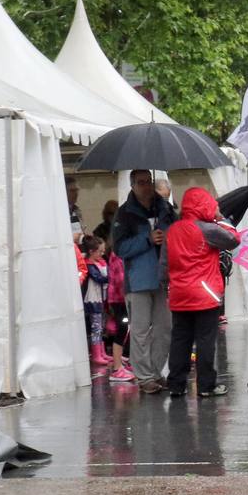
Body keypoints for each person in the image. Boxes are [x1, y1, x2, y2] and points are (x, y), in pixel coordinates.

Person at [162, 188, 240, 398]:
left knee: (180, 340)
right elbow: (233, 239)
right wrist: (222, 219)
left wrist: (166, 287)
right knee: (205, 340)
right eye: (213, 205)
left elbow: (164, 264)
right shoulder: (207, 229)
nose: (216, 208)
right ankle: (206, 385)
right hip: (205, 295)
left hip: (179, 294)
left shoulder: (172, 230)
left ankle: (176, 384)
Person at [111, 169, 178, 394]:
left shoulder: (166, 208)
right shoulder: (124, 214)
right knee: (140, 330)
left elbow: (177, 233)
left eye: (147, 181)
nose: (146, 186)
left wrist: (167, 235)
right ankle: (144, 376)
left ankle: (156, 371)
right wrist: (147, 239)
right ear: (132, 186)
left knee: (164, 327)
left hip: (163, 277)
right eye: (140, 183)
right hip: (138, 280)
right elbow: (120, 248)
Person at [80, 235, 112, 377]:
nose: (102, 253)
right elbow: (98, 278)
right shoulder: (90, 265)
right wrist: (111, 277)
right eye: (100, 251)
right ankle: (96, 353)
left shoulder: (99, 263)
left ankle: (102, 352)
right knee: (96, 327)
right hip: (92, 299)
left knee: (101, 325)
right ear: (92, 251)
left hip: (100, 298)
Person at [103, 251, 135, 382]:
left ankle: (121, 364)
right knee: (121, 330)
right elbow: (120, 279)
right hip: (119, 299)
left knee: (124, 330)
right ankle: (117, 367)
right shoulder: (118, 255)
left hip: (119, 298)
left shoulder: (116, 254)